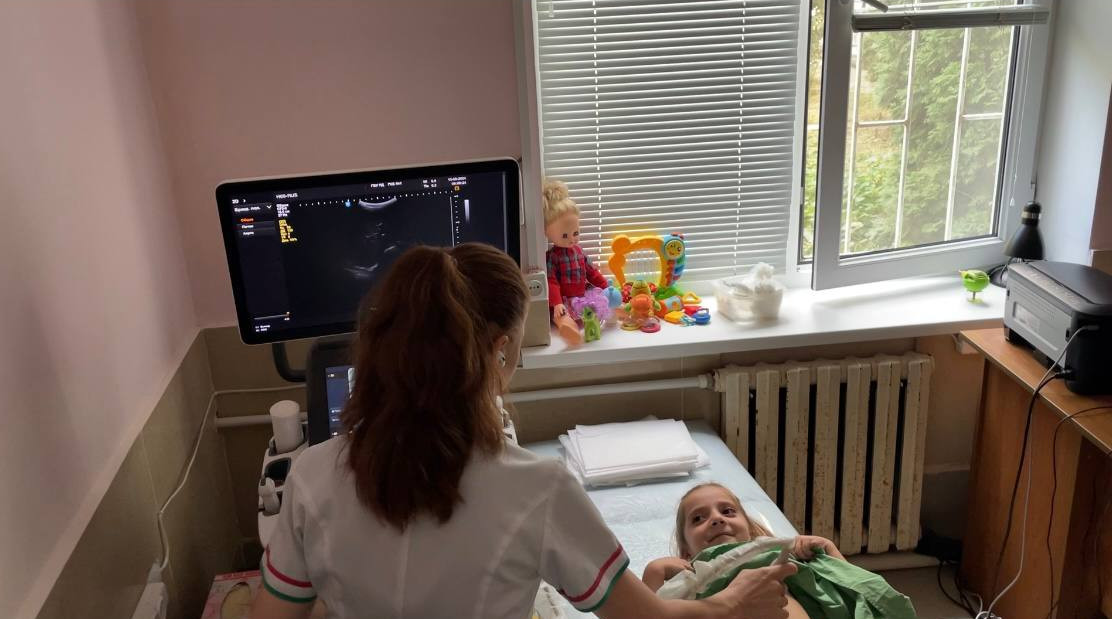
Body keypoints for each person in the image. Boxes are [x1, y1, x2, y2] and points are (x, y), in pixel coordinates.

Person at [251, 244, 796, 619]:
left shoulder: (312, 477)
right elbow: (643, 617)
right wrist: (729, 604)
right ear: (499, 351)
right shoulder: (538, 490)